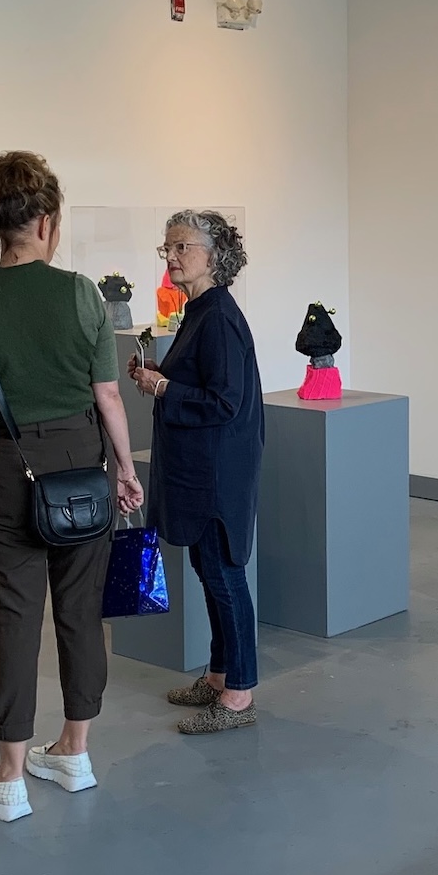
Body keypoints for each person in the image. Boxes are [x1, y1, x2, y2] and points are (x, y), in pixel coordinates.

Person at [0, 152, 144, 823]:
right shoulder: (82, 293)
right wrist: (125, 468)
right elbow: (108, 393)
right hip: (82, 461)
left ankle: (10, 774)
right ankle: (75, 753)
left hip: (7, 468)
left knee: (15, 615)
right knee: (80, 610)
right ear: (48, 221)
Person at [128, 211, 264, 734]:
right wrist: (161, 376)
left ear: (214, 254)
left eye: (181, 247)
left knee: (225, 577)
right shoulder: (200, 312)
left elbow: (224, 402)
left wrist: (163, 388)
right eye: (167, 249)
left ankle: (238, 696)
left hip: (216, 472)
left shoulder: (220, 317)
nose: (171, 257)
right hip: (202, 468)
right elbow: (204, 385)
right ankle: (218, 676)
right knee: (211, 574)